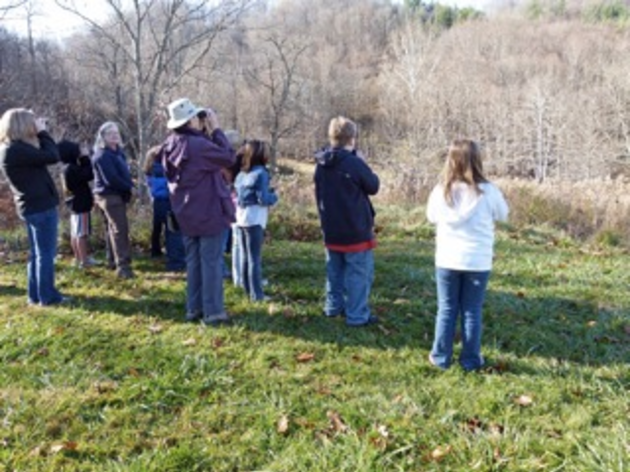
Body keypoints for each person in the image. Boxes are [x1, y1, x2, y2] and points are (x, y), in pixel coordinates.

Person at [426, 139, 509, 371]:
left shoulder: (441, 192)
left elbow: (431, 216)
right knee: (472, 310)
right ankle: (470, 360)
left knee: (447, 308)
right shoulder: (489, 192)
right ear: (477, 161)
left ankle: (441, 357)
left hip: (447, 259)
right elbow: (503, 214)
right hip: (477, 260)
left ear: (450, 162)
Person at [161, 98, 235, 326]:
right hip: (209, 211)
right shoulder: (198, 146)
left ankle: (194, 308)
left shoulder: (170, 144)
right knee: (211, 262)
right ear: (189, 120)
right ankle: (213, 312)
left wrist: (205, 133)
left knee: (194, 262)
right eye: (196, 116)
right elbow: (229, 158)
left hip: (186, 212)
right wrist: (217, 129)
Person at [314, 116, 380, 327]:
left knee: (334, 271)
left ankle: (333, 307)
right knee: (358, 274)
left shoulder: (321, 164)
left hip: (331, 226)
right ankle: (357, 315)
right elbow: (373, 186)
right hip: (355, 228)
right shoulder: (354, 163)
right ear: (352, 138)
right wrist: (362, 162)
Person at [0, 108, 68, 306]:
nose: (35, 125)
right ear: (22, 125)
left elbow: (44, 156)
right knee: (46, 254)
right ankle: (48, 297)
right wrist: (43, 132)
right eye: (31, 122)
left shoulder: (11, 149)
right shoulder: (16, 150)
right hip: (40, 206)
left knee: (37, 253)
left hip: (31, 206)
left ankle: (35, 295)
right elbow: (53, 155)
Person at [234, 140, 278, 301]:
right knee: (255, 259)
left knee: (246, 257)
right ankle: (257, 295)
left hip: (240, 218)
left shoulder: (242, 173)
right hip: (254, 219)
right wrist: (275, 196)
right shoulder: (261, 173)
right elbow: (263, 199)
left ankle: (247, 290)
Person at [92, 121, 135, 279]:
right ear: (102, 136)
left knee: (112, 229)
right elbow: (111, 179)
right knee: (119, 230)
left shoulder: (118, 152)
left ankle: (112, 260)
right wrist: (130, 187)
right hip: (109, 196)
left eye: (116, 132)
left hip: (117, 194)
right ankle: (123, 267)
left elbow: (123, 174)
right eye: (110, 133)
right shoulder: (102, 155)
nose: (115, 135)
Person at [144, 144, 185, 271]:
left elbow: (151, 187)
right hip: (168, 201)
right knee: (172, 230)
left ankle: (155, 251)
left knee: (157, 228)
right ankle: (175, 259)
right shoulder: (165, 170)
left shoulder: (149, 171)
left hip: (157, 201)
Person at [58, 139, 97, 269]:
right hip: (81, 205)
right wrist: (85, 158)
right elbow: (89, 174)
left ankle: (78, 257)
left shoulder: (65, 168)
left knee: (75, 232)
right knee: (82, 233)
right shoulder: (72, 168)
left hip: (73, 204)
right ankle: (84, 260)